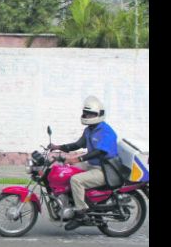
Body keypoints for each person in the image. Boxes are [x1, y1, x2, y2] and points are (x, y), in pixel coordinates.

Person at [49, 96, 119, 231]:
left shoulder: (106, 131)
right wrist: (59, 147)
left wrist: (79, 159)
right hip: (93, 165)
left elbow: (100, 152)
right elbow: (78, 144)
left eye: (91, 113)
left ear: (99, 114)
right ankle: (71, 201)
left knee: (76, 180)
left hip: (105, 170)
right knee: (66, 170)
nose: (87, 115)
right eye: (87, 113)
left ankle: (81, 214)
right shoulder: (90, 129)